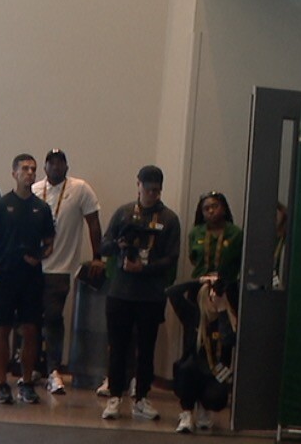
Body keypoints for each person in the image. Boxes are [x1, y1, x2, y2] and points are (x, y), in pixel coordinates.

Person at [100, 165, 180, 421]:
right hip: (120, 293)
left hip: (150, 295)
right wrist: (118, 245)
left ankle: (142, 397)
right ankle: (114, 396)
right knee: (118, 346)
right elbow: (104, 246)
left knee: (146, 349)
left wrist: (143, 267)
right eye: (148, 189)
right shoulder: (124, 214)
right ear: (138, 186)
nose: (152, 194)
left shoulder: (169, 219)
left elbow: (171, 258)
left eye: (156, 190)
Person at [0, 153, 54, 405]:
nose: (30, 173)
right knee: (2, 328)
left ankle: (26, 382)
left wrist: (40, 257)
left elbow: (49, 243)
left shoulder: (41, 208)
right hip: (5, 277)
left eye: (33, 169)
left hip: (31, 279)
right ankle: (2, 383)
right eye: (25, 168)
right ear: (14, 173)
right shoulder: (1, 206)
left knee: (31, 330)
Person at [169, 191, 242, 433]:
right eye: (206, 208)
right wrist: (202, 283)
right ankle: (188, 408)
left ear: (224, 208)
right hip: (200, 291)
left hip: (226, 292)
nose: (211, 211)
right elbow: (193, 259)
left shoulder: (236, 233)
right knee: (192, 356)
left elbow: (238, 262)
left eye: (215, 206)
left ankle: (207, 404)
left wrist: (222, 295)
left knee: (221, 349)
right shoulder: (196, 234)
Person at [31, 148, 102, 395]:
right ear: (45, 167)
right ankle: (32, 368)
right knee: (30, 319)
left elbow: (94, 223)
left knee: (52, 318)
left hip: (60, 268)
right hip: (32, 267)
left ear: (67, 167)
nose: (56, 167)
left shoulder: (80, 189)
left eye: (60, 163)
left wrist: (98, 257)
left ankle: (54, 369)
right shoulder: (34, 189)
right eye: (51, 163)